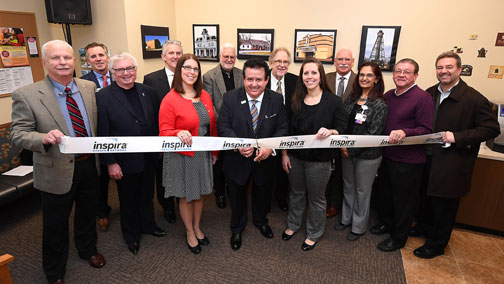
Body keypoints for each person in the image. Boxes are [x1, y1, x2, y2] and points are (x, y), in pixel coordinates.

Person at [9, 39, 105, 284]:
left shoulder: (87, 88)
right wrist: (43, 137)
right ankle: (54, 271)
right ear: (44, 62)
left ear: (75, 61)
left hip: (88, 166)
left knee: (87, 215)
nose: (62, 62)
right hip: (55, 169)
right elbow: (18, 133)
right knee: (55, 225)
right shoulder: (26, 95)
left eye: (67, 57)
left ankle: (88, 250)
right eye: (55, 58)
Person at [411, 51, 500, 259]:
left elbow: (491, 129)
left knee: (445, 206)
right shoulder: (430, 93)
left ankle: (436, 244)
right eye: (440, 67)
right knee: (425, 197)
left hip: (452, 162)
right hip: (427, 156)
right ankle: (423, 228)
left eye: (449, 67)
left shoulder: (475, 99)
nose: (444, 71)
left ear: (459, 70)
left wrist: (457, 137)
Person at [97, 52, 166, 256]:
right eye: (121, 70)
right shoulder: (103, 97)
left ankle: (148, 225)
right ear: (113, 73)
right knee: (127, 199)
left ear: (136, 70)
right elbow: (103, 131)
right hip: (123, 161)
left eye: (130, 68)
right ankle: (131, 235)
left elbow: (155, 122)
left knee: (147, 194)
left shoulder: (148, 91)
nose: (126, 73)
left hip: (148, 156)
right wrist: (110, 163)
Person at [218, 58, 288, 251]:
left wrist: (270, 148)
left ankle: (260, 222)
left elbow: (282, 128)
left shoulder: (276, 99)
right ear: (243, 78)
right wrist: (238, 145)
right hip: (236, 160)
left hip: (264, 161)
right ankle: (237, 228)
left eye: (259, 79)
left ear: (267, 80)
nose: (254, 84)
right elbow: (223, 127)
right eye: (250, 79)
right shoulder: (230, 98)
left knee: (263, 193)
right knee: (237, 196)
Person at [281, 58, 347, 251]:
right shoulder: (295, 99)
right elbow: (287, 131)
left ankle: (314, 232)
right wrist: (284, 154)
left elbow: (341, 128)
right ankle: (293, 224)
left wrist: (332, 132)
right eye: (306, 73)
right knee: (296, 193)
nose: (309, 77)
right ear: (301, 77)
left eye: (313, 73)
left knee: (317, 198)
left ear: (320, 76)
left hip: (320, 161)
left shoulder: (333, 101)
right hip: (295, 158)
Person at [370, 58, 434, 252]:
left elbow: (426, 129)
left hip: (409, 161)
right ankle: (387, 223)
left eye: (407, 72)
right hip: (388, 156)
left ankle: (398, 238)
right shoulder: (389, 95)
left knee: (404, 202)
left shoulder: (423, 98)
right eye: (398, 71)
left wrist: (406, 132)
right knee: (386, 196)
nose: (401, 75)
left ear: (415, 76)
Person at [159, 53, 218, 254]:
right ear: (179, 70)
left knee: (200, 193)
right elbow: (163, 132)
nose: (191, 72)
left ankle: (197, 226)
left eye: (195, 69)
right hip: (182, 155)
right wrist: (178, 132)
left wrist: (215, 151)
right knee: (186, 196)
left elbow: (213, 125)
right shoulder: (170, 99)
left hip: (202, 154)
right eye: (187, 68)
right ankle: (189, 231)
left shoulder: (205, 95)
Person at [334, 62, 387, 241]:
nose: (364, 78)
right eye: (362, 75)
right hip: (346, 151)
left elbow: (374, 133)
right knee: (348, 186)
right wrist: (343, 146)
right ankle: (346, 219)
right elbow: (342, 122)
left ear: (377, 79)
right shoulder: (351, 98)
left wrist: (351, 150)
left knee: (362, 190)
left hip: (367, 156)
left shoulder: (379, 104)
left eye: (369, 75)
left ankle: (358, 226)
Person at [143, 40, 183, 224]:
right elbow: (150, 113)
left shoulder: (189, 76)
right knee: (164, 175)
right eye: (171, 53)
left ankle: (182, 202)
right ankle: (167, 206)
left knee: (182, 172)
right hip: (163, 137)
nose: (175, 56)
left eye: (178, 53)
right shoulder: (151, 80)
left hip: (185, 137)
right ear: (163, 56)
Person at [203, 43, 243, 209]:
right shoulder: (209, 76)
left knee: (235, 161)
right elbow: (209, 104)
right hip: (218, 127)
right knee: (218, 164)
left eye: (232, 57)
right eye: (226, 56)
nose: (229, 59)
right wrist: (224, 123)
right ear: (220, 57)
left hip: (239, 128)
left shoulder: (241, 74)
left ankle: (231, 188)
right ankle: (219, 192)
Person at [80, 42, 113, 232]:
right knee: (101, 179)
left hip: (121, 135)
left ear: (107, 56)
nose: (98, 59)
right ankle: (102, 212)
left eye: (101, 55)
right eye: (93, 56)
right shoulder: (84, 84)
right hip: (99, 136)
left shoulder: (121, 75)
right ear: (87, 61)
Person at [324, 48, 358, 218]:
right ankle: (322, 200)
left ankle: (335, 203)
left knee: (341, 172)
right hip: (326, 132)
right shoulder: (326, 78)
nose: (343, 62)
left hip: (349, 132)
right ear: (334, 61)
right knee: (324, 168)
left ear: (353, 62)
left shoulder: (359, 80)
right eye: (340, 59)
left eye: (347, 59)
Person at [266, 47, 298, 212]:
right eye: (278, 61)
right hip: (266, 133)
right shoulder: (263, 79)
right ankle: (265, 200)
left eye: (285, 62)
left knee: (284, 169)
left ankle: (280, 197)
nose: (282, 65)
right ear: (271, 62)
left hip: (287, 132)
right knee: (266, 169)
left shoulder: (295, 81)